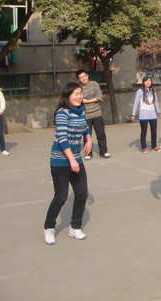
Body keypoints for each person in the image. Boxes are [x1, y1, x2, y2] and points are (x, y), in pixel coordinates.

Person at [43, 82, 92, 245]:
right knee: (61, 197)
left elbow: (85, 126)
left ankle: (75, 227)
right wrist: (71, 159)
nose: (79, 97)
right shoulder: (62, 113)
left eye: (80, 93)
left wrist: (89, 139)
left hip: (75, 158)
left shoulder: (81, 110)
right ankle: (49, 228)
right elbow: (62, 138)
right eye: (76, 94)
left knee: (82, 194)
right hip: (60, 160)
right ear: (67, 96)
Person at [76, 69, 110, 159]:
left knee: (101, 133)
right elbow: (78, 100)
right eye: (81, 77)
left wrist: (87, 101)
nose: (84, 78)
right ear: (78, 79)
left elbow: (99, 97)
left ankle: (104, 151)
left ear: (87, 75)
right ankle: (88, 153)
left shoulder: (94, 84)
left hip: (97, 113)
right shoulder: (78, 88)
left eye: (84, 76)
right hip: (86, 115)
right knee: (87, 135)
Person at [132, 75, 161, 153]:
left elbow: (156, 102)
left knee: (154, 131)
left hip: (152, 114)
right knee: (144, 131)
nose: (148, 82)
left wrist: (158, 112)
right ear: (143, 82)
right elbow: (136, 102)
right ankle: (144, 147)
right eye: (146, 81)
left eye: (149, 80)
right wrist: (133, 114)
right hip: (143, 114)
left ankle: (154, 146)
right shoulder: (140, 91)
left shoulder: (153, 91)